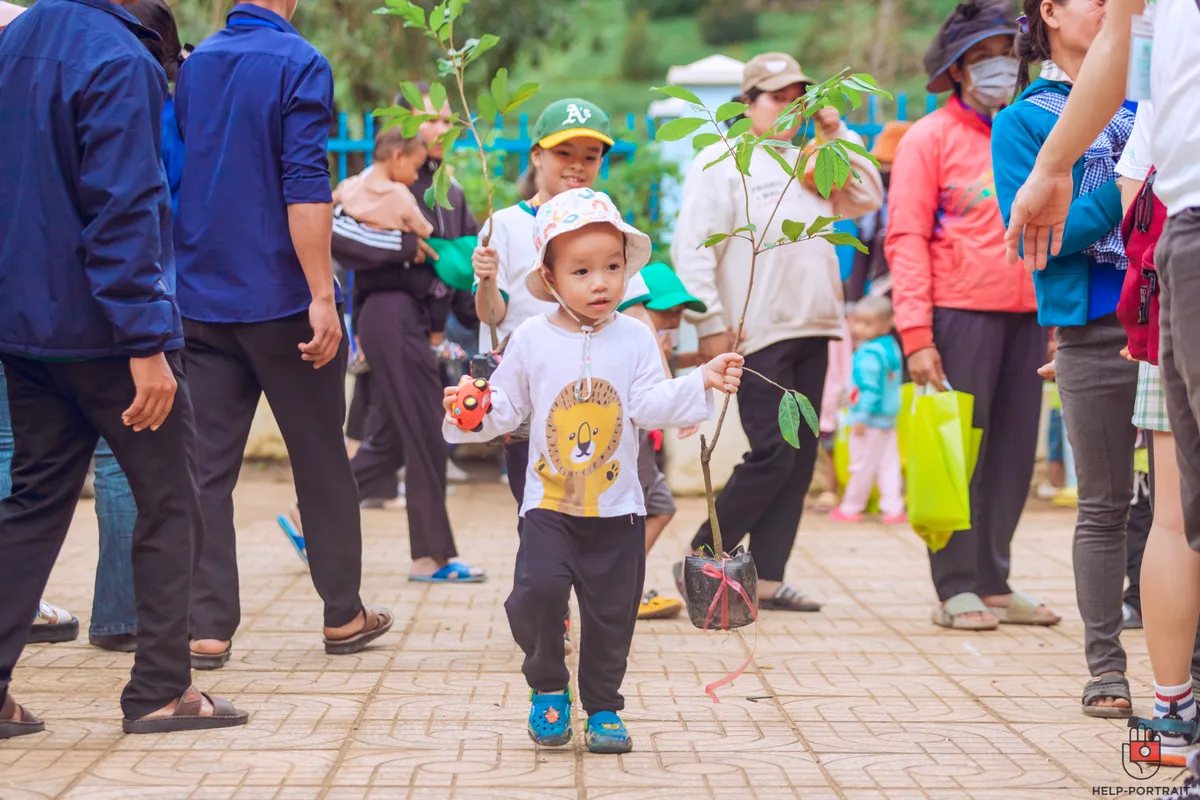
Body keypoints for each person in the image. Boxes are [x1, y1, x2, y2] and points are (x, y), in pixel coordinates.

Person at [0, 0, 245, 736]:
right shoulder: (119, 60)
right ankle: (163, 690)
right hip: (109, 335)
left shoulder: (19, 41)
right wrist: (146, 342)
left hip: (26, 329)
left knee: (33, 505)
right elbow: (125, 206)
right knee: (172, 500)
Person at [444, 188, 744, 754]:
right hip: (549, 505)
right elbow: (506, 409)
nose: (601, 282)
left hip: (618, 510)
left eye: (612, 267)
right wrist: (474, 410)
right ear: (551, 279)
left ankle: (604, 707)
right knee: (537, 592)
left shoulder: (634, 336)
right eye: (581, 271)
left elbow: (649, 404)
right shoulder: (530, 338)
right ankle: (548, 687)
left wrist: (700, 379)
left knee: (611, 615)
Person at [175, 0, 393, 670]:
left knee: (206, 471)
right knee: (322, 461)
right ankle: (342, 614)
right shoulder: (299, 61)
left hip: (202, 300)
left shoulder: (195, 65)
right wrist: (321, 295)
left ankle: (206, 629)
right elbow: (305, 187)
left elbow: (177, 174)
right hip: (281, 300)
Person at [672, 53, 883, 612]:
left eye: (799, 97)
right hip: (757, 332)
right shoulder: (723, 161)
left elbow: (867, 196)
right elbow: (694, 249)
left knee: (800, 455)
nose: (790, 108)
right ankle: (702, 553)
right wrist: (711, 323)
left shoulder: (813, 160)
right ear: (748, 104)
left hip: (815, 327)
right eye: (776, 97)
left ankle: (767, 578)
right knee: (772, 454)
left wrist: (836, 130)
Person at [887, 0, 1056, 631]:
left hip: (1030, 317)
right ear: (956, 71)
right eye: (979, 58)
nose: (995, 68)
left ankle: (994, 582)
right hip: (957, 317)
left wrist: (1059, 319)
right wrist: (917, 336)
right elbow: (903, 238)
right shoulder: (927, 139)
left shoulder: (1038, 129)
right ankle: (953, 584)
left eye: (1004, 55)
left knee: (1013, 455)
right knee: (953, 453)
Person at [992, 0, 1136, 715]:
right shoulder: (1023, 121)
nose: (1111, 7)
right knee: (1105, 504)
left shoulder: (1155, 98)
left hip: (1170, 311)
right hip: (1092, 329)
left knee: (1181, 504)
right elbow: (1044, 238)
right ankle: (1106, 666)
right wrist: (1131, 183)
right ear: (1048, 11)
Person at [341, 82, 486, 583]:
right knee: (427, 426)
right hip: (386, 314)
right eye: (432, 120)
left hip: (422, 327)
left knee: (394, 438)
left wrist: (490, 315)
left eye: (449, 121)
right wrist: (409, 250)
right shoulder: (382, 184)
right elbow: (343, 240)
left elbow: (462, 270)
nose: (444, 130)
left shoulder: (453, 191)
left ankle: (311, 508)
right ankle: (431, 556)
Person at [616, 263, 708, 620]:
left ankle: (626, 583)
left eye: (680, 313)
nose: (675, 320)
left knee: (660, 506)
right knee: (634, 514)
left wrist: (699, 360)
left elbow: (667, 361)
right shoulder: (634, 332)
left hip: (645, 446)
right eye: (667, 311)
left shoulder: (654, 337)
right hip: (631, 443)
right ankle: (622, 588)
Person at [829, 297, 906, 524]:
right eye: (857, 322)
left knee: (861, 464)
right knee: (888, 464)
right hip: (888, 418)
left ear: (885, 325)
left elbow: (869, 390)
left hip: (868, 420)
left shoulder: (868, 355)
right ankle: (893, 508)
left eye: (867, 323)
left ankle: (852, 507)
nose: (859, 328)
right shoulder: (891, 347)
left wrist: (861, 416)